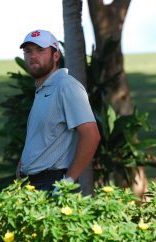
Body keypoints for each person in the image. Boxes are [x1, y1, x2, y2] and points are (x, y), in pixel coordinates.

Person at [17, 30, 100, 194]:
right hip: (34, 184)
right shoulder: (43, 89)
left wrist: (67, 182)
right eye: (28, 51)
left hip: (53, 184)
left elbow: (91, 135)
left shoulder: (66, 86)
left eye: (40, 50)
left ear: (56, 56)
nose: (33, 56)